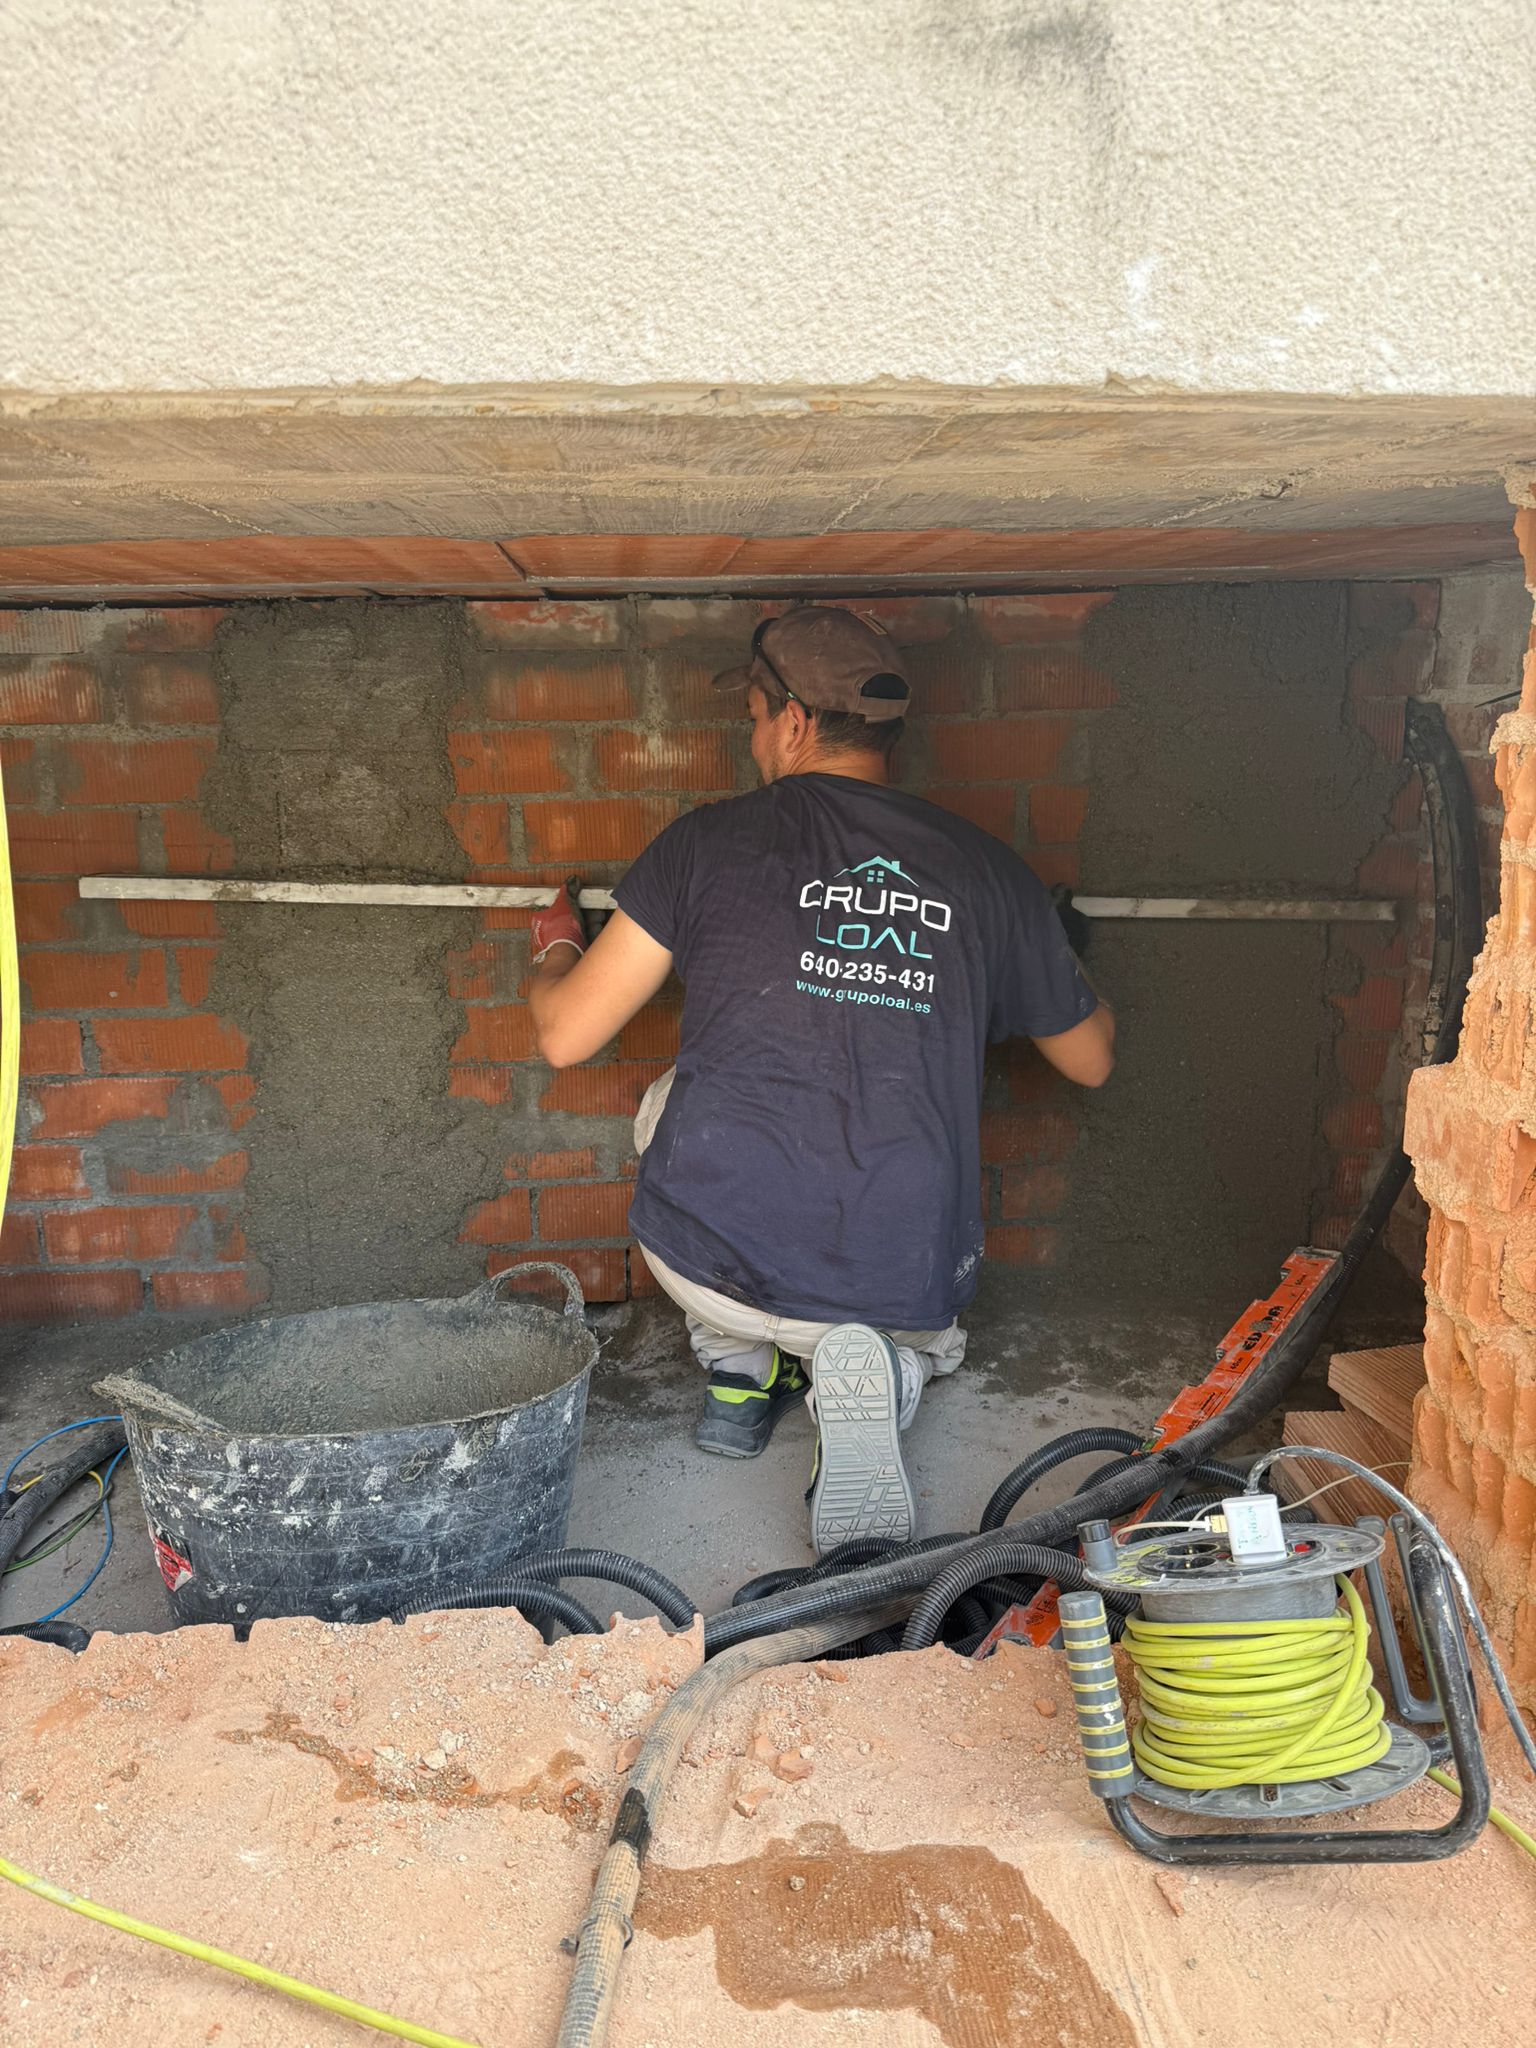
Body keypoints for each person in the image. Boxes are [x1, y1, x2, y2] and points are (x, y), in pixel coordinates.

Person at [528, 606, 1115, 1553]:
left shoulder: (704, 843)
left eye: (757, 717)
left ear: (795, 722)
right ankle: (886, 1380)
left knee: (673, 1101)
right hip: (895, 1277)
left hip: (713, 1265)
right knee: (914, 1325)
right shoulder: (988, 872)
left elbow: (566, 1036)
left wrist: (556, 947)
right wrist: (1052, 951)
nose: (755, 737)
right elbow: (1090, 1059)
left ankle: (735, 1372)